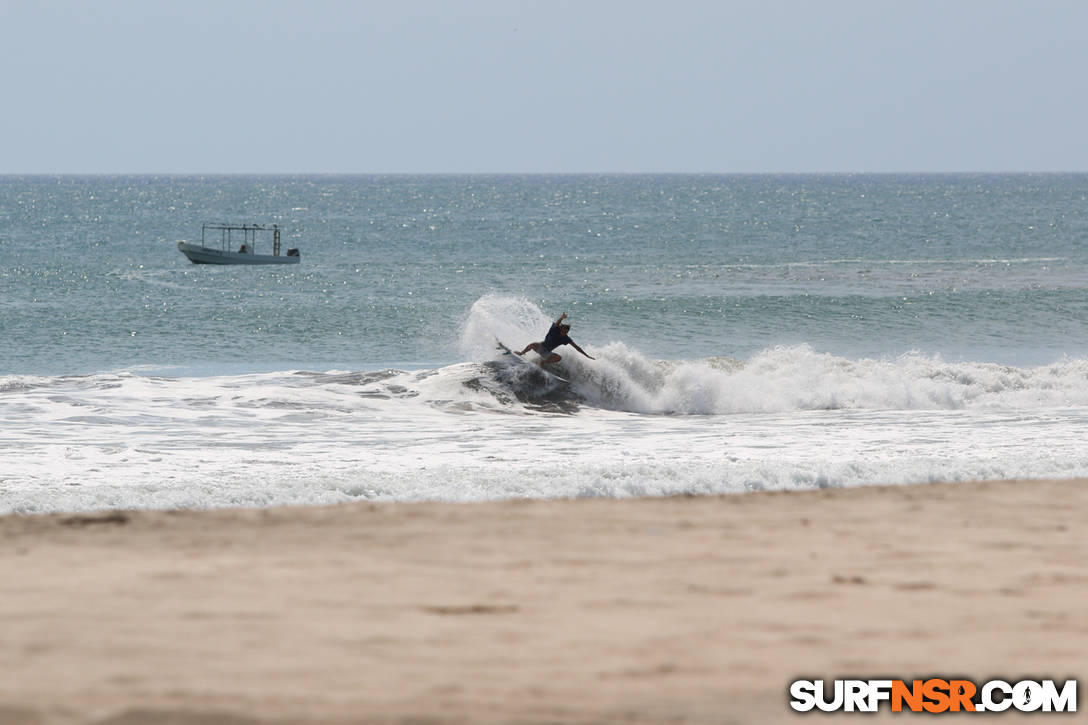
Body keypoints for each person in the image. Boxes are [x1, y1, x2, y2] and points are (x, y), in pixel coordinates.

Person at [519, 312, 595, 365]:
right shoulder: (554, 329)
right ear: (561, 329)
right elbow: (557, 323)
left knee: (558, 358)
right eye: (563, 331)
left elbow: (577, 347)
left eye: (566, 332)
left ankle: (542, 362)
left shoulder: (566, 338)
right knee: (532, 344)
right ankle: (521, 353)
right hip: (541, 347)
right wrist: (562, 317)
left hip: (547, 353)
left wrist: (586, 355)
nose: (565, 333)